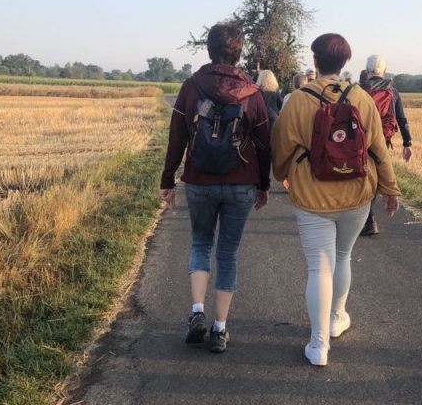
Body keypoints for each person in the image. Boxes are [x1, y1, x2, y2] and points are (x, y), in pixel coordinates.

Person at [272, 33, 401, 366]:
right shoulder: (361, 97)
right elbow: (379, 149)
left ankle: (319, 345)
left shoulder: (297, 100)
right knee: (342, 257)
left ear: (315, 61)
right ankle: (336, 318)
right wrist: (390, 189)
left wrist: (283, 174)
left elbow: (281, 149)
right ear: (345, 62)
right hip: (357, 193)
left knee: (319, 268)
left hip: (311, 195)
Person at [159, 22, 271, 354]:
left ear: (208, 49)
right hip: (240, 182)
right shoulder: (252, 92)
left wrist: (168, 180)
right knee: (228, 252)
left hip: (199, 180)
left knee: (200, 242)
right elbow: (264, 144)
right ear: (239, 52)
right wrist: (264, 185)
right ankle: (220, 329)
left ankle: (197, 312)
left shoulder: (191, 86)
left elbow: (177, 138)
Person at [360, 54, 413, 236]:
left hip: (362, 141)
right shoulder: (393, 92)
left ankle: (368, 219)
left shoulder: (359, 90)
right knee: (375, 178)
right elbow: (402, 119)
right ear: (384, 70)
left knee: (361, 177)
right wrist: (407, 143)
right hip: (382, 141)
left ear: (367, 71)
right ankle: (368, 219)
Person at [257, 69, 283, 134]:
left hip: (260, 116)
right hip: (273, 115)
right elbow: (280, 103)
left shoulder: (258, 90)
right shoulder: (275, 89)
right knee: (272, 136)